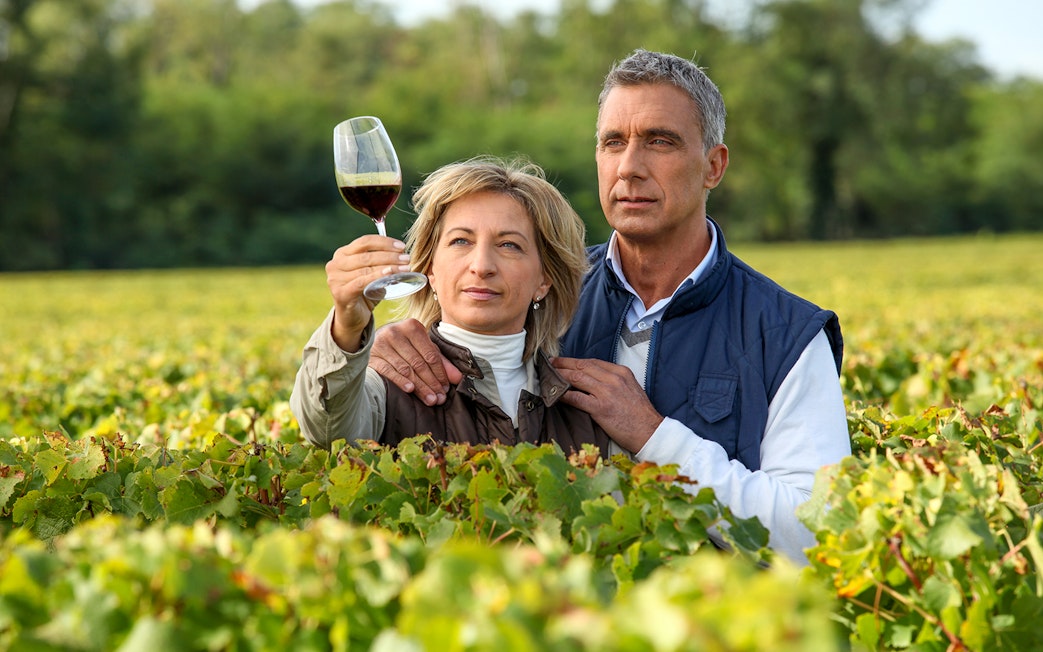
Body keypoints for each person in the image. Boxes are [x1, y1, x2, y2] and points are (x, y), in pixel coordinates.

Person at [366, 49, 851, 565]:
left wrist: (656, 437)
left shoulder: (789, 333)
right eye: (612, 142)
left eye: (660, 142)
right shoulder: (539, 290)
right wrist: (397, 339)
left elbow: (814, 534)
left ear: (714, 166)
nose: (629, 167)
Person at [290, 157, 617, 457]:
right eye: (461, 241)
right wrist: (347, 326)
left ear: (544, 279)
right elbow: (326, 426)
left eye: (509, 245)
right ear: (430, 268)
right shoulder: (388, 384)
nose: (481, 265)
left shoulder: (584, 407)